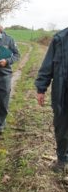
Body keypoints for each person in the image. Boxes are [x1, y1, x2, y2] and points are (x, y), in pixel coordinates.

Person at [35, 28, 68, 173]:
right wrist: (41, 89)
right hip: (62, 94)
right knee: (61, 128)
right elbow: (47, 66)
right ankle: (62, 159)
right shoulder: (60, 39)